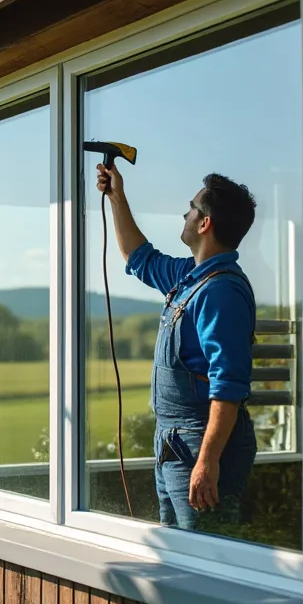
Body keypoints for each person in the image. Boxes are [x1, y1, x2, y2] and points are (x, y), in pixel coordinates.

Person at [97, 162, 259, 531]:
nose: (184, 213)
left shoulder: (221, 292)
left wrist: (207, 461)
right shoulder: (191, 277)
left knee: (207, 560)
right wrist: (117, 197)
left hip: (199, 444)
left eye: (192, 207)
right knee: (180, 558)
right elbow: (140, 258)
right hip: (175, 443)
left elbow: (228, 386)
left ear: (205, 224)